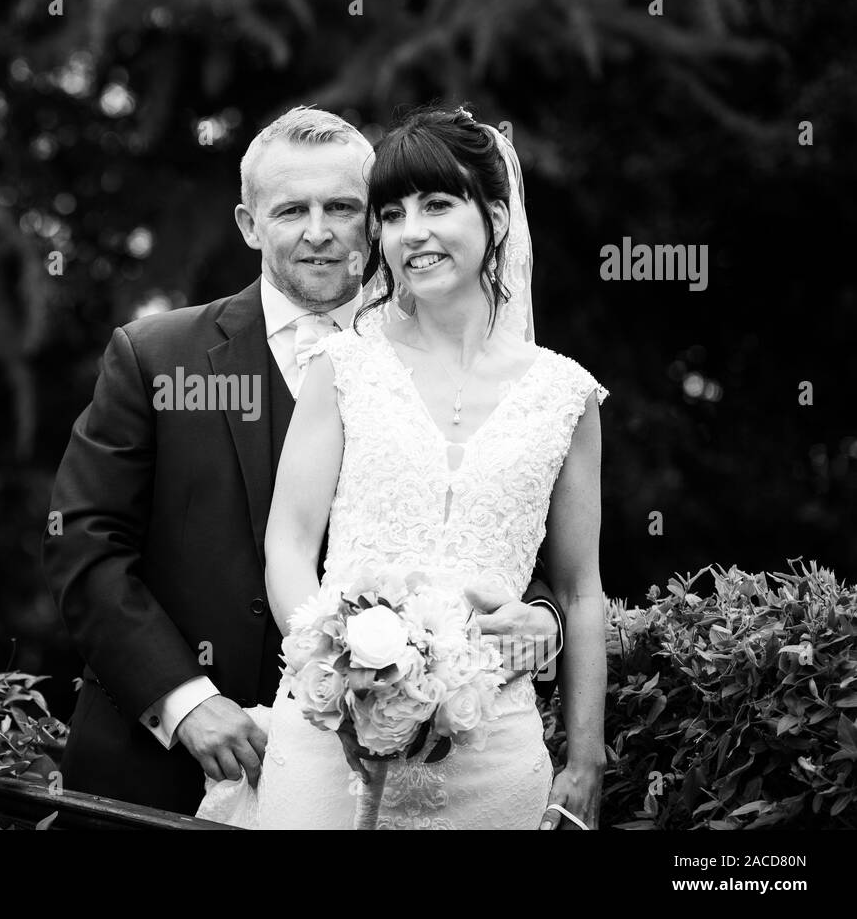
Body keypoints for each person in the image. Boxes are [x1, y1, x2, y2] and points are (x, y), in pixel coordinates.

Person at [42, 106, 562, 817]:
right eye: (291, 209)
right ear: (250, 225)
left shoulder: (454, 372)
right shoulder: (154, 356)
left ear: (373, 221)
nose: (318, 231)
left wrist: (542, 619)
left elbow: (508, 533)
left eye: (343, 207)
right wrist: (185, 702)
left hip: (380, 780)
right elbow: (86, 549)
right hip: (152, 774)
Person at [200, 106, 606, 829]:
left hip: (493, 754)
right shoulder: (346, 368)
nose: (411, 231)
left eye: (438, 204)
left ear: (499, 218)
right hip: (332, 741)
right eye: (391, 212)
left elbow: (579, 591)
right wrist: (330, 666)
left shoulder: (565, 396)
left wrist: (586, 759)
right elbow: (289, 543)